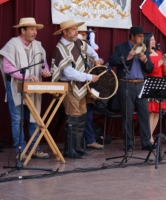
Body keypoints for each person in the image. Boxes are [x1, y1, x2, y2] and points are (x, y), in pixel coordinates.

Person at [0, 17, 51, 160]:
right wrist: (27, 76)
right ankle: (20, 150)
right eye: (32, 29)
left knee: (34, 117)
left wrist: (45, 71)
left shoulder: (39, 46)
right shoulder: (12, 44)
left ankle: (35, 148)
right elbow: (7, 67)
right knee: (18, 119)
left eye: (36, 29)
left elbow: (44, 64)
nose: (35, 32)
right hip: (16, 86)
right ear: (23, 30)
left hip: (33, 87)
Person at [51, 19, 102, 158]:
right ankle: (70, 150)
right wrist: (89, 77)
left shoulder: (79, 43)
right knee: (73, 118)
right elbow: (68, 73)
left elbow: (92, 53)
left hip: (81, 87)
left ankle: (79, 147)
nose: (76, 32)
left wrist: (96, 59)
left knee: (82, 117)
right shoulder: (60, 48)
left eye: (76, 29)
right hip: (69, 87)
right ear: (65, 32)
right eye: (73, 30)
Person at [108, 26, 154, 151]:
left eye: (143, 37)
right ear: (132, 36)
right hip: (126, 83)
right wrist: (127, 58)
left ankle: (146, 142)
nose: (141, 39)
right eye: (139, 36)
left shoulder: (144, 49)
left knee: (144, 114)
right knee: (127, 114)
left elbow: (150, 68)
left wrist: (145, 61)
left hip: (140, 84)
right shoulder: (121, 47)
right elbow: (111, 60)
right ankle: (128, 143)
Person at [76, 25, 105, 150]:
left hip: (87, 90)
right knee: (79, 117)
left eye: (84, 34)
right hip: (77, 87)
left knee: (87, 117)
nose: (83, 36)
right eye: (81, 34)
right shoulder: (74, 51)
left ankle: (89, 140)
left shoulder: (89, 53)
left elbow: (96, 65)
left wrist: (99, 61)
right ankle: (81, 142)